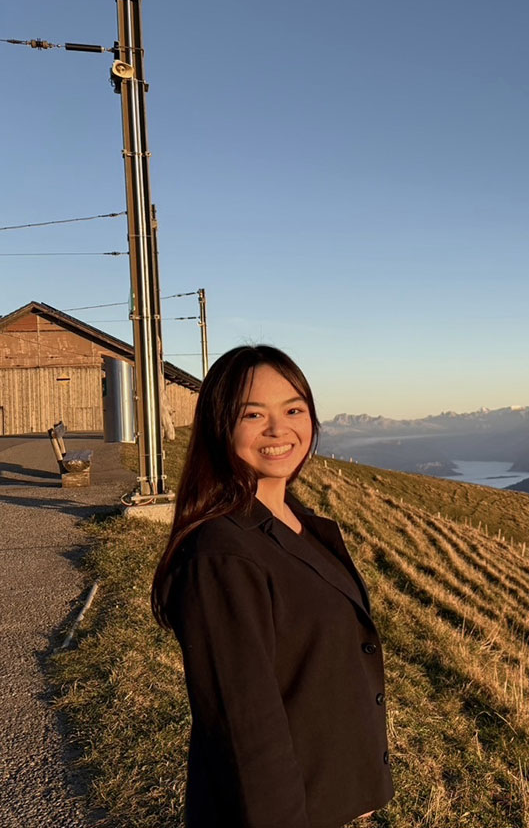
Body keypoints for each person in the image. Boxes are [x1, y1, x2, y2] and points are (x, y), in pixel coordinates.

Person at [151, 345, 393, 828]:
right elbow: (246, 732)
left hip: (324, 802)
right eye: (253, 413)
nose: (279, 429)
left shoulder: (298, 523)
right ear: (221, 425)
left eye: (294, 409)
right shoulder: (223, 556)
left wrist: (355, 781)